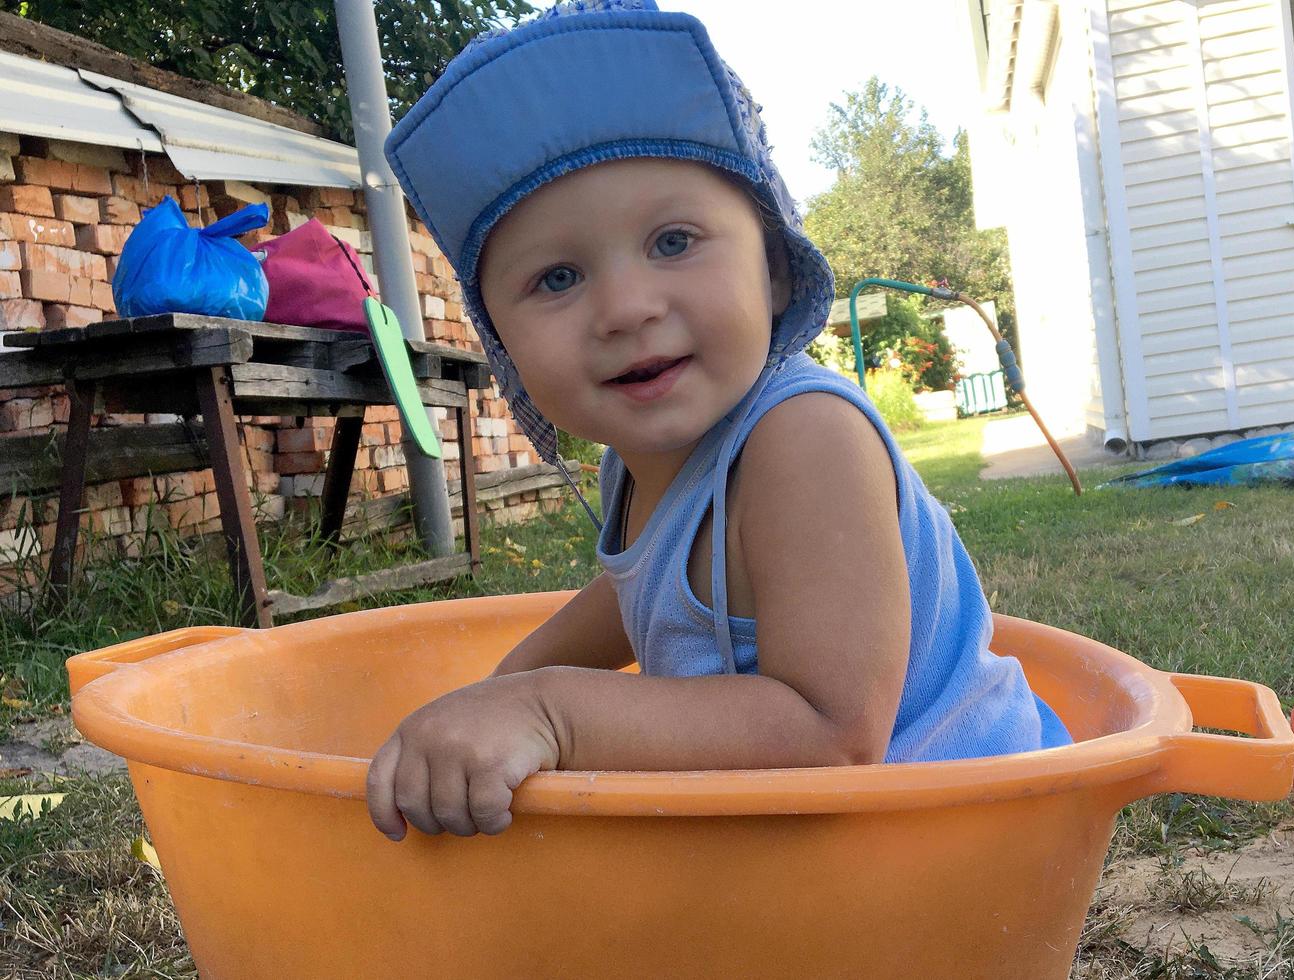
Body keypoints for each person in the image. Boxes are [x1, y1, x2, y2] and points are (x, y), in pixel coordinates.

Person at [366, 0, 1071, 842]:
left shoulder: (805, 440)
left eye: (672, 241)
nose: (626, 309)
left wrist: (549, 710)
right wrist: (498, 686)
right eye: (557, 278)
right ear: (504, 345)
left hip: (955, 829)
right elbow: (649, 595)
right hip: (808, 846)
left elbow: (834, 735)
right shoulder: (638, 460)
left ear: (773, 270)